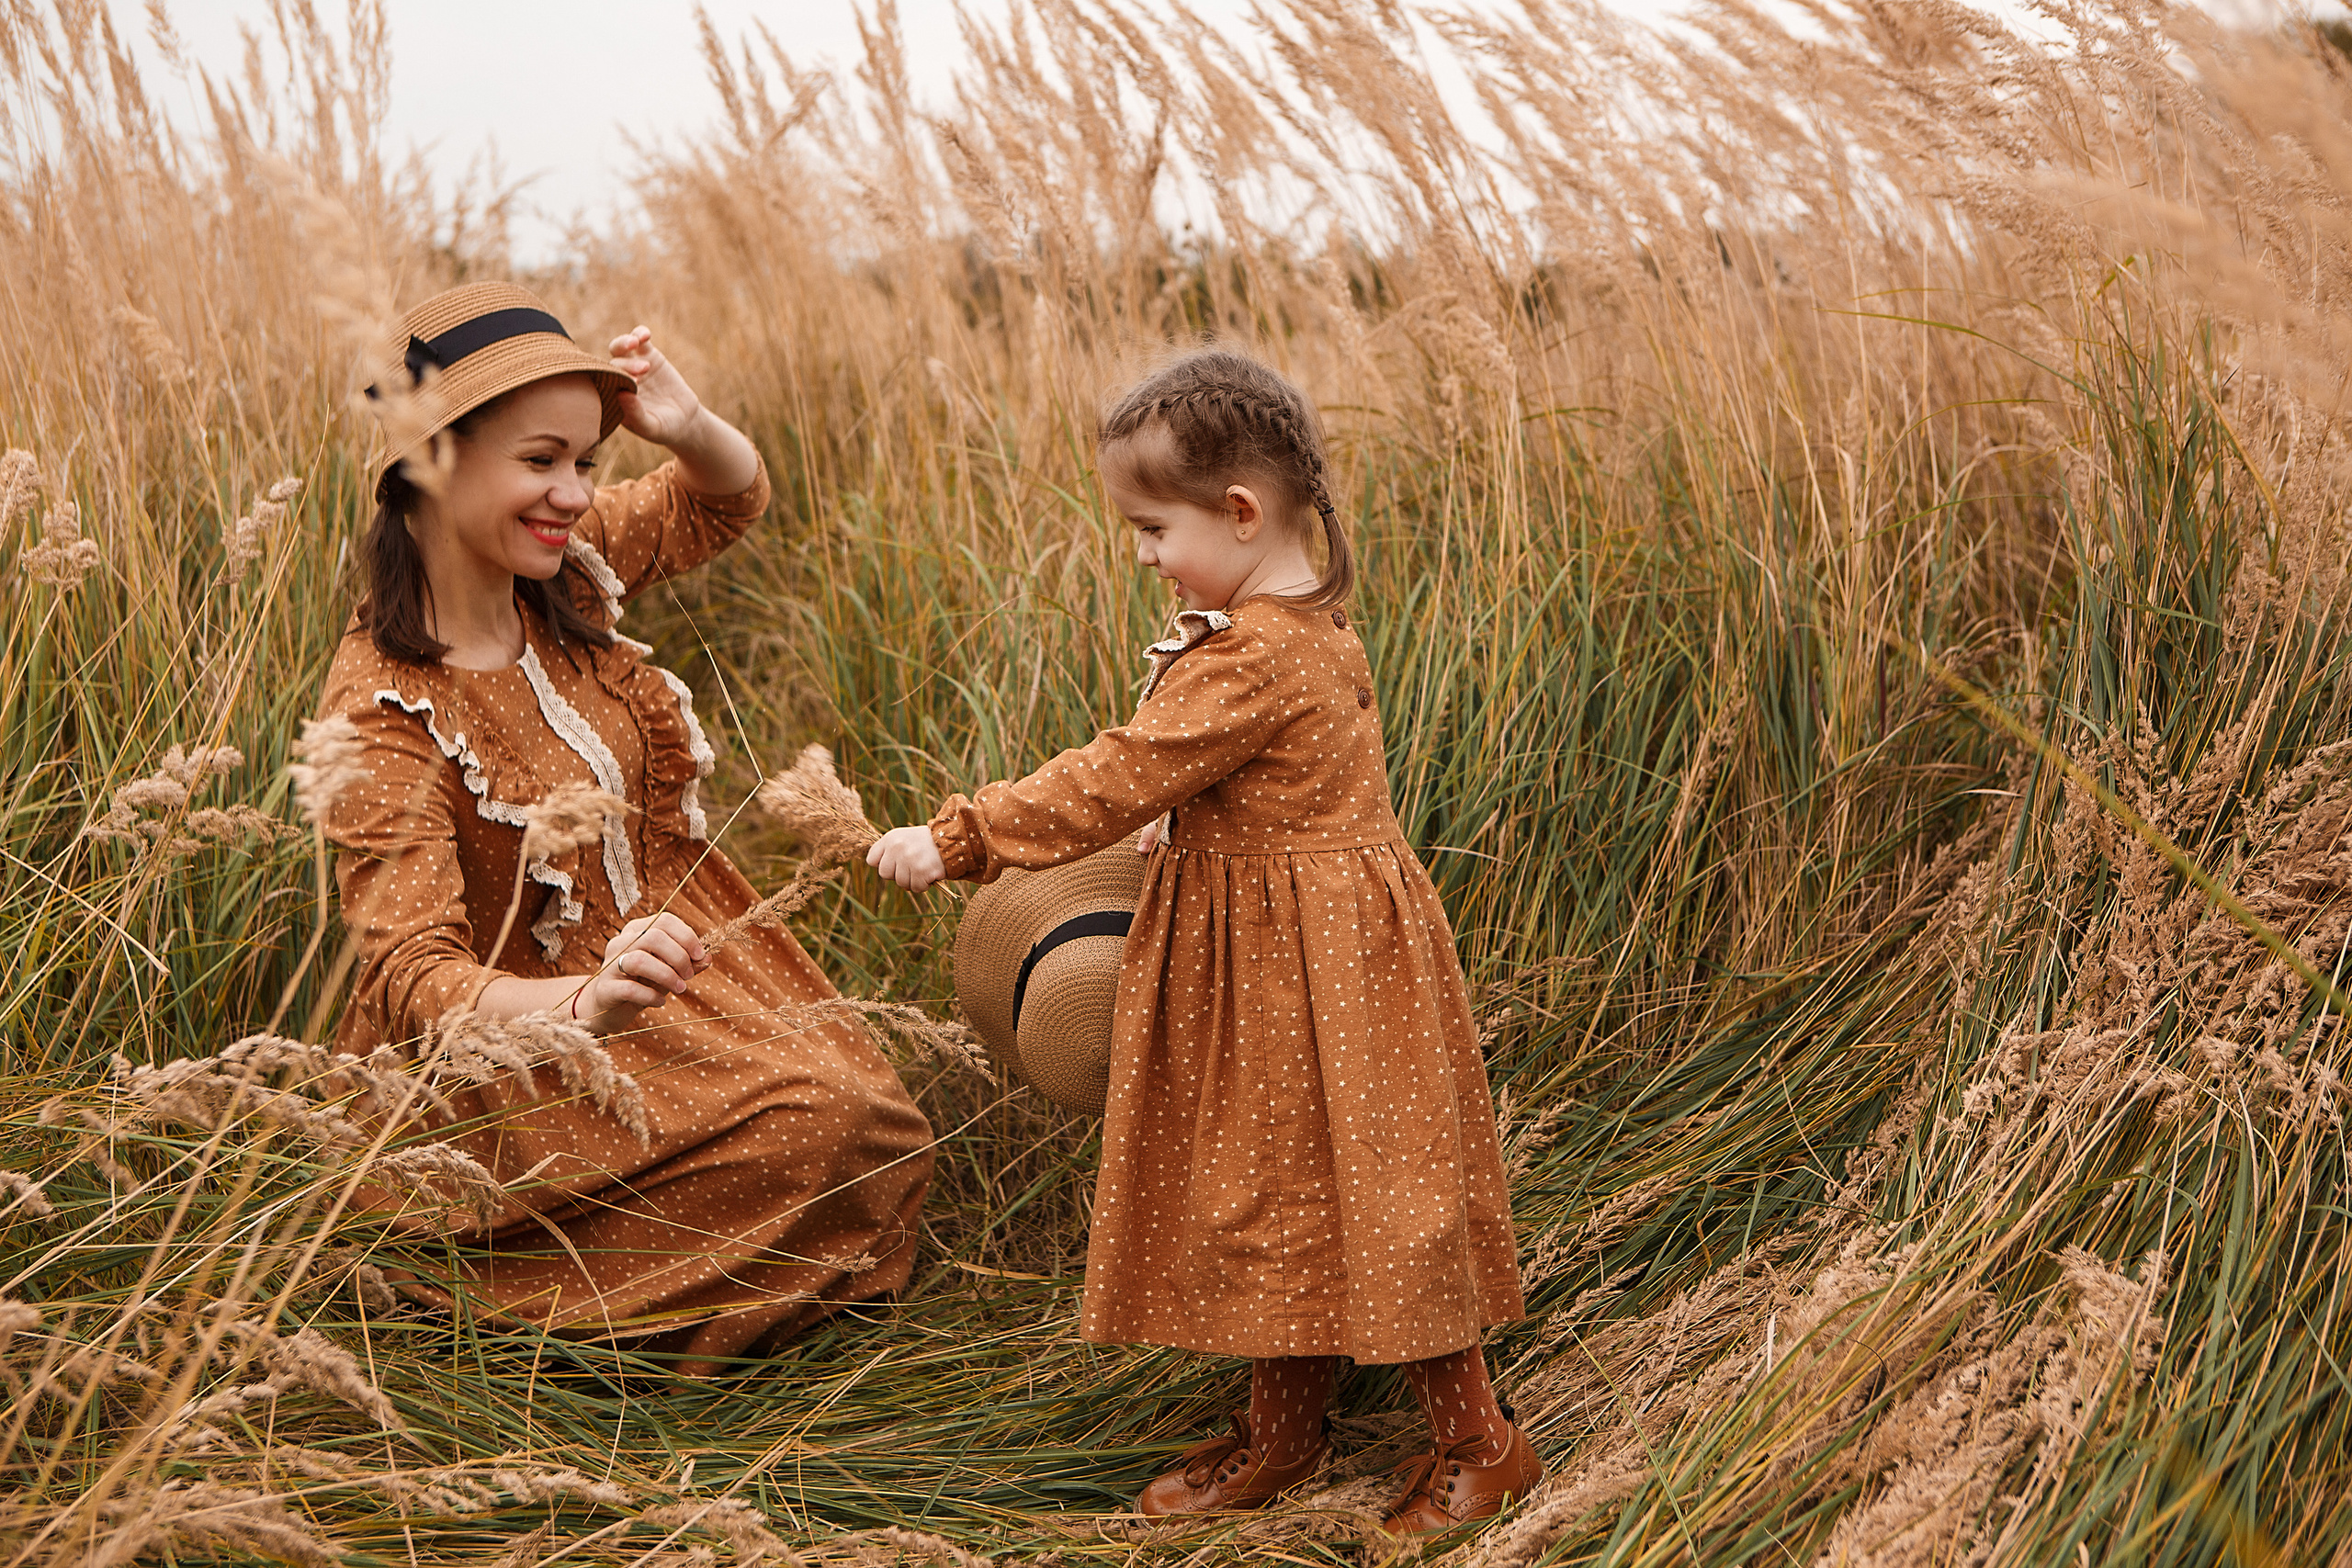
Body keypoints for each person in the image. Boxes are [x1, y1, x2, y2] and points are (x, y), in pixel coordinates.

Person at [865, 349, 1541, 1532]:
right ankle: (1283, 1436)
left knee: (1375, 1199)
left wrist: (962, 836)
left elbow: (1117, 775)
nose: (1142, 555)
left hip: (1309, 971)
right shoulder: (1294, 621)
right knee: (1283, 1192)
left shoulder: (1254, 653)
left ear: (1238, 512)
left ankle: (1481, 1446)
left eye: (1151, 528)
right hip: (1297, 966)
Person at [315, 281, 933, 1376]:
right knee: (826, 1132)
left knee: (874, 1125)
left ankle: (748, 1288)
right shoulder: (382, 712)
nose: (571, 493)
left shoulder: (563, 569)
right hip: (529, 1042)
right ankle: (568, 1327)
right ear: (433, 459)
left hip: (672, 959)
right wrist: (586, 1006)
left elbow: (725, 499)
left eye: (587, 462)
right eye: (541, 459)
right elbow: (415, 977)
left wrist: (685, 425)